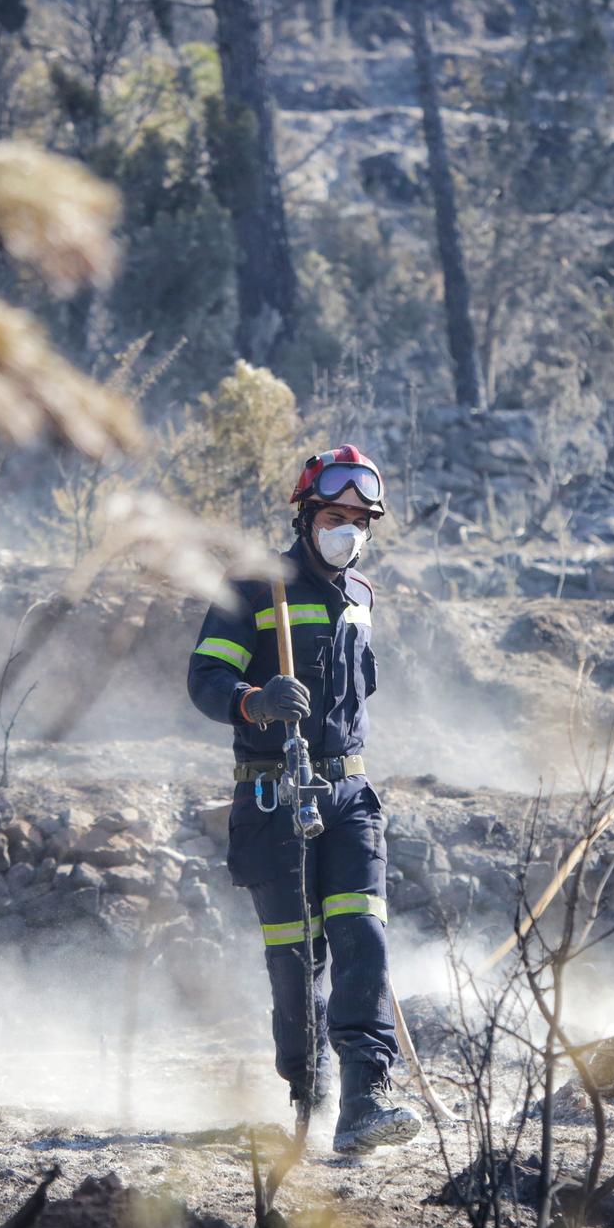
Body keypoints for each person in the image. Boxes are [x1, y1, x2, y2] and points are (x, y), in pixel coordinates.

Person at [185, 445, 420, 1154]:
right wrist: (254, 701)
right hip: (273, 796)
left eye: (359, 521)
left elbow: (360, 690)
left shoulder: (363, 598)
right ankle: (307, 1088)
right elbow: (204, 680)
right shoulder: (257, 589)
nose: (347, 531)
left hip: (348, 793)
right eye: (334, 517)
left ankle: (366, 1098)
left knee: (363, 935)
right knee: (297, 956)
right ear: (306, 516)